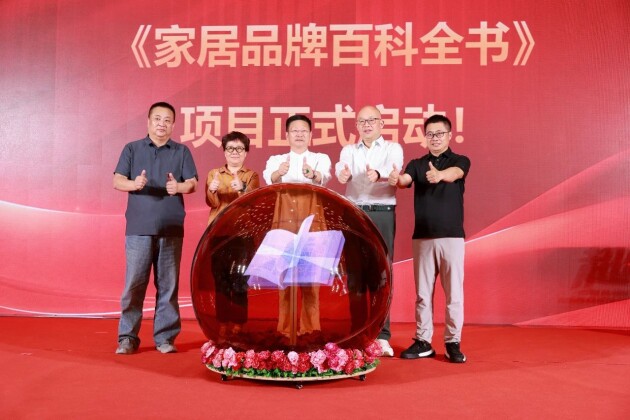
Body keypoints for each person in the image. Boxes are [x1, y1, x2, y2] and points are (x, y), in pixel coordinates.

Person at [113, 102, 198, 355]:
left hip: (171, 226)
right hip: (139, 227)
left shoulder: (181, 151)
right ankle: (127, 337)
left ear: (173, 124)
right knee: (134, 284)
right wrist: (134, 183)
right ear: (149, 121)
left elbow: (192, 183)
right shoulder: (132, 148)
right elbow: (117, 180)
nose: (162, 124)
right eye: (158, 119)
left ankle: (165, 338)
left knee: (168, 286)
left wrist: (178, 187)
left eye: (167, 120)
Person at [388, 114, 470, 363]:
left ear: (449, 135)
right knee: (423, 294)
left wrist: (440, 175)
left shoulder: (459, 160)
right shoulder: (417, 164)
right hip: (422, 237)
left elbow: (456, 173)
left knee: (454, 294)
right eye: (430, 134)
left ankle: (453, 342)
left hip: (452, 237)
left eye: (439, 134)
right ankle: (423, 341)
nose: (434, 138)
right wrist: (396, 179)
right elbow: (405, 180)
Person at [334, 105, 403, 357]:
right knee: (354, 273)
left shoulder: (392, 148)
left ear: (381, 123)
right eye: (362, 121)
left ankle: (382, 335)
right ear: (356, 125)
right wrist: (343, 175)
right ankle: (357, 332)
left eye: (372, 120)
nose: (367, 125)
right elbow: (341, 170)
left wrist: (379, 174)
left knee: (382, 272)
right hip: (354, 213)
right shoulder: (349, 150)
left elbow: (394, 170)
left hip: (381, 212)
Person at [262, 114, 332, 341]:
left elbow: (324, 176)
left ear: (310, 135)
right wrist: (278, 173)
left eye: (304, 131)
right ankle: (285, 330)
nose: (299, 135)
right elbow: (269, 178)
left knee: (310, 278)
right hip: (284, 218)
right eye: (295, 131)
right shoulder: (276, 159)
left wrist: (313, 174)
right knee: (285, 277)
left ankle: (310, 331)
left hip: (312, 217)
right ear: (287, 135)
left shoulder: (320, 158)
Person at [205, 131, 259, 342]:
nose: (234, 152)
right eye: (230, 149)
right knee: (220, 280)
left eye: (239, 149)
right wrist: (212, 190)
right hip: (218, 233)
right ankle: (222, 324)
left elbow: (252, 202)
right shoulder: (214, 174)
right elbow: (212, 203)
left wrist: (242, 189)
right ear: (224, 152)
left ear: (246, 152)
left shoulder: (251, 175)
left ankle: (238, 324)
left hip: (242, 235)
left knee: (239, 281)